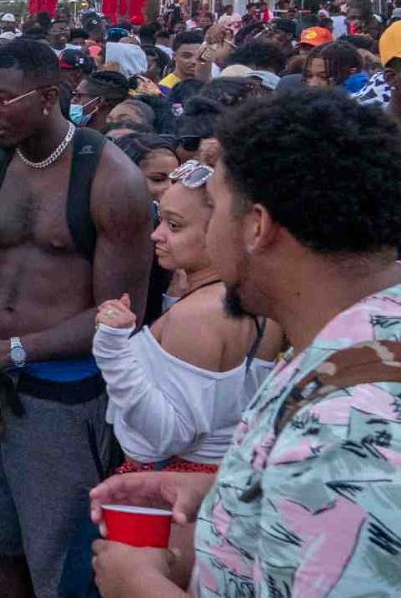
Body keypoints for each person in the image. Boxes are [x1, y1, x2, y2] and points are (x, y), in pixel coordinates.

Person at [89, 90, 401, 597]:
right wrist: (227, 489)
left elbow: (341, 478)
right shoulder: (343, 346)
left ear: (256, 226)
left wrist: (139, 585)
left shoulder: (346, 435)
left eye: (216, 209)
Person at [0, 38, 151, 598]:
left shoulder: (109, 180)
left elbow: (122, 315)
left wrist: (17, 349)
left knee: (56, 558)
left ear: (48, 97)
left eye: (2, 100)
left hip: (60, 398)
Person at [92, 156, 282, 480]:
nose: (157, 234)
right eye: (160, 219)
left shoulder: (198, 317)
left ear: (223, 229)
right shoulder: (258, 301)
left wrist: (112, 350)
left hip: (169, 494)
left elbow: (168, 435)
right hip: (220, 475)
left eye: (175, 225)